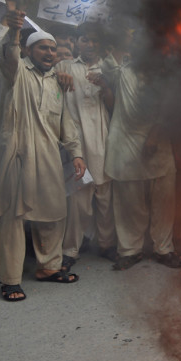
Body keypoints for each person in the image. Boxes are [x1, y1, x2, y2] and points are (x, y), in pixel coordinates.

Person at [0, 9, 86, 302]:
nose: (50, 52)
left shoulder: (58, 81)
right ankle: (11, 280)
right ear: (30, 50)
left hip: (49, 157)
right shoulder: (15, 72)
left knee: (56, 212)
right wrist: (15, 30)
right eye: (43, 47)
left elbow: (66, 122)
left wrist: (77, 154)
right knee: (14, 218)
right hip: (19, 154)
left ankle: (49, 267)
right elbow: (8, 53)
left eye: (53, 48)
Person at [100, 28, 181, 271]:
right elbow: (108, 67)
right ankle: (130, 250)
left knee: (164, 201)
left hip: (158, 142)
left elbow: (170, 107)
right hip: (125, 142)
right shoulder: (122, 71)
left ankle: (163, 249)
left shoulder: (165, 73)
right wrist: (122, 39)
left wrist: (155, 135)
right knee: (129, 201)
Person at [56, 26, 119, 274]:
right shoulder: (65, 67)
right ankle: (70, 249)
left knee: (104, 196)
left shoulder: (108, 68)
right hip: (76, 139)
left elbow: (115, 107)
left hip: (103, 139)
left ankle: (105, 244)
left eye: (94, 40)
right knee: (79, 199)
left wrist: (106, 86)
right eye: (85, 39)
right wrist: (61, 76)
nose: (90, 44)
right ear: (77, 42)